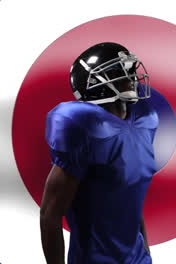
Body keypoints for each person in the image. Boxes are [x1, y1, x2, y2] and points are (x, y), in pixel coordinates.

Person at [40, 42, 158, 264]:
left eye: (131, 70)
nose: (131, 77)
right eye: (119, 71)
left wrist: (147, 252)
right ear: (93, 82)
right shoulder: (83, 125)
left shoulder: (144, 122)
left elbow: (129, 200)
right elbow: (50, 215)